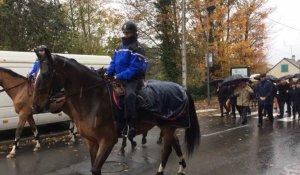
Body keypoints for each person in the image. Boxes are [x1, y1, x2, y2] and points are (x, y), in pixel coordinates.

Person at [105, 21, 147, 139]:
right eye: (124, 32)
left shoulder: (138, 48)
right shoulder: (119, 47)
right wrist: (108, 73)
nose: (125, 34)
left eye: (127, 33)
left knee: (129, 96)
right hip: (120, 78)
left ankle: (131, 125)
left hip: (133, 80)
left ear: (134, 33)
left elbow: (134, 68)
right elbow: (113, 62)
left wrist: (119, 76)